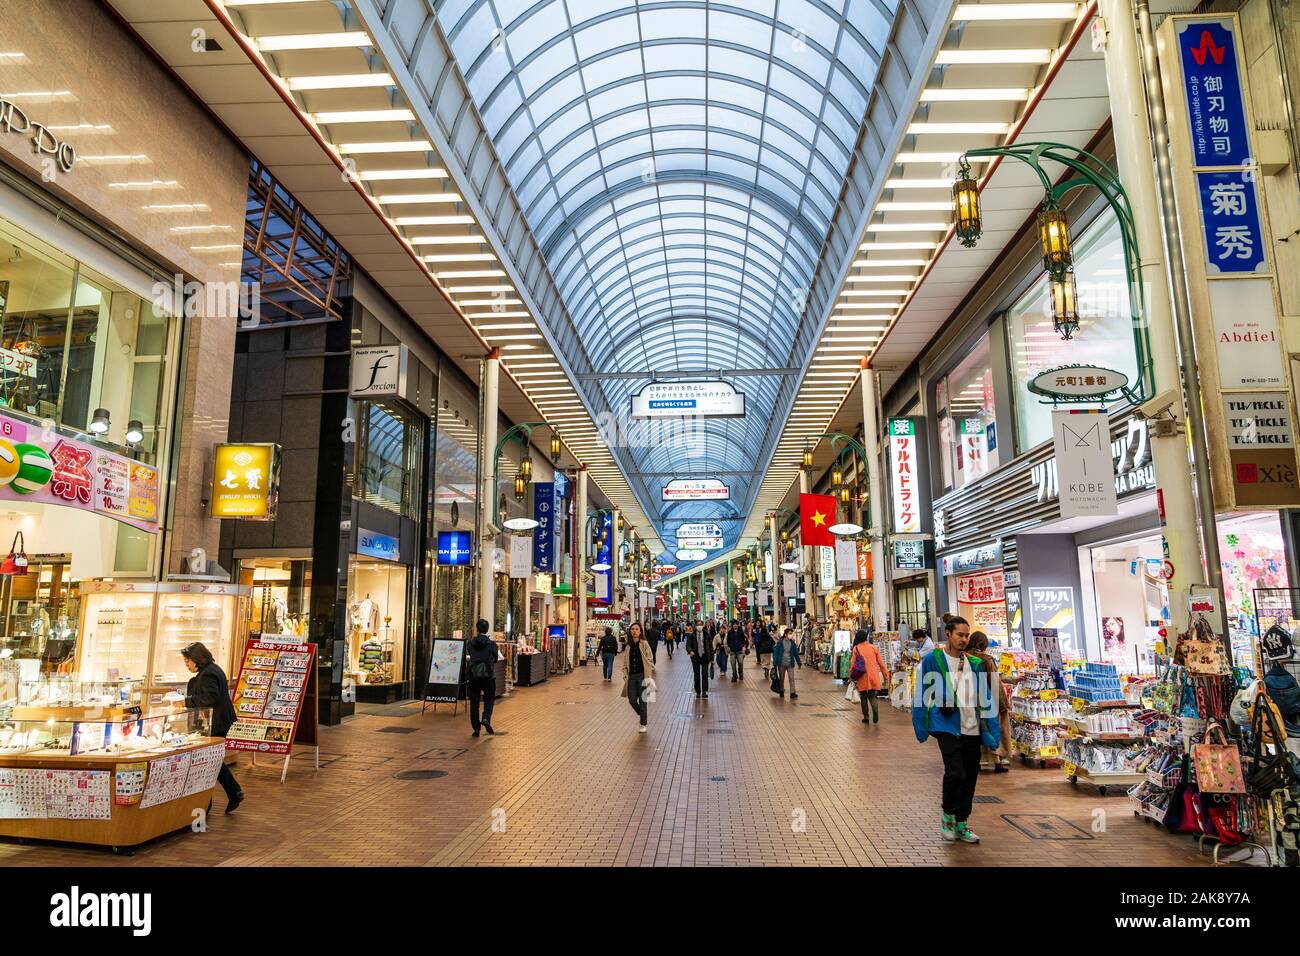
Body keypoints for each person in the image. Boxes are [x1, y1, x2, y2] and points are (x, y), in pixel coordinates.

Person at [911, 616, 1000, 844]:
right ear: (948, 634)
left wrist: (993, 731)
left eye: (966, 635)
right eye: (960, 634)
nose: (964, 639)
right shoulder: (933, 660)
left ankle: (962, 823)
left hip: (972, 727)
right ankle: (947, 816)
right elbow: (921, 691)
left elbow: (987, 699)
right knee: (955, 772)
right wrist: (920, 725)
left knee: (970, 776)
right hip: (946, 726)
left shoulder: (975, 664)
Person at [182, 641, 242, 813]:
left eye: (187, 661)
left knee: (210, 761)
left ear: (195, 659)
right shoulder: (212, 669)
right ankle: (228, 795)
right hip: (219, 722)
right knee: (213, 761)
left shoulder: (208, 674)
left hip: (215, 724)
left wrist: (186, 702)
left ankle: (225, 795)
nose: (187, 665)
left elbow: (210, 697)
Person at [967, 630, 1011, 772]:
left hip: (970, 700)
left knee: (977, 730)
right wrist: (1003, 704)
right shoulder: (986, 660)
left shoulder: (964, 657)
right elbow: (994, 682)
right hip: (989, 700)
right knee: (995, 729)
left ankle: (978, 761)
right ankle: (998, 762)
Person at [849, 629, 890, 725]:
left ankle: (866, 717)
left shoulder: (856, 648)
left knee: (863, 696)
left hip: (861, 675)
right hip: (873, 675)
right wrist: (886, 677)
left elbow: (852, 664)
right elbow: (881, 664)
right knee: (872, 695)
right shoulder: (874, 648)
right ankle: (875, 711)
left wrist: (850, 674)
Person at [466, 619, 498, 737]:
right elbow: (495, 658)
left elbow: (470, 653)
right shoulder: (492, 644)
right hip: (488, 676)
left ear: (477, 629)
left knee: (474, 702)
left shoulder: (471, 643)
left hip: (473, 676)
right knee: (489, 698)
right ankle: (486, 719)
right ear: (487, 629)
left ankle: (476, 729)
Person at [622, 622, 655, 733]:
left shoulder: (644, 643)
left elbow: (650, 658)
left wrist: (649, 668)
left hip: (642, 676)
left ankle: (643, 723)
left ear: (640, 631)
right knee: (632, 700)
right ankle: (641, 714)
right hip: (631, 677)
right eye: (632, 629)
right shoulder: (628, 646)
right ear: (630, 632)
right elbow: (625, 662)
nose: (634, 631)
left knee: (643, 701)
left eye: (636, 629)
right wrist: (625, 674)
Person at [771, 627, 802, 699]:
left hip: (790, 663)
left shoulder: (793, 643)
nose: (791, 635)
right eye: (790, 633)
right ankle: (781, 691)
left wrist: (799, 662)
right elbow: (776, 652)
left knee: (791, 678)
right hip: (781, 663)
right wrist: (775, 662)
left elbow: (796, 654)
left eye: (792, 633)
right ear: (785, 634)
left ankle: (792, 693)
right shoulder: (780, 642)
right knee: (781, 678)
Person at [686, 622, 711, 699]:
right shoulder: (692, 635)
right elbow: (688, 645)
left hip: (704, 656)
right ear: (695, 626)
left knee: (705, 674)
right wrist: (690, 651)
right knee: (696, 675)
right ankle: (698, 691)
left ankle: (704, 691)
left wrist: (712, 658)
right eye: (698, 625)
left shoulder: (707, 634)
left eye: (700, 625)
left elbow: (710, 646)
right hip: (695, 657)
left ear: (703, 626)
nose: (699, 626)